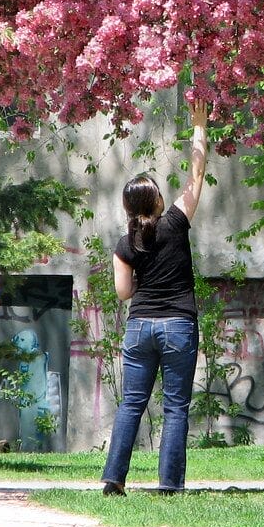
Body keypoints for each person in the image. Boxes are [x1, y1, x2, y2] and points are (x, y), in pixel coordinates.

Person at [101, 98, 209, 496]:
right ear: (158, 201)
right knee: (175, 406)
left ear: (128, 206)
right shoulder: (176, 223)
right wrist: (199, 126)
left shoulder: (124, 243)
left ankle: (114, 479)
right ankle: (169, 484)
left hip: (140, 326)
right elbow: (197, 175)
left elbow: (123, 292)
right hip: (179, 324)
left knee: (132, 403)